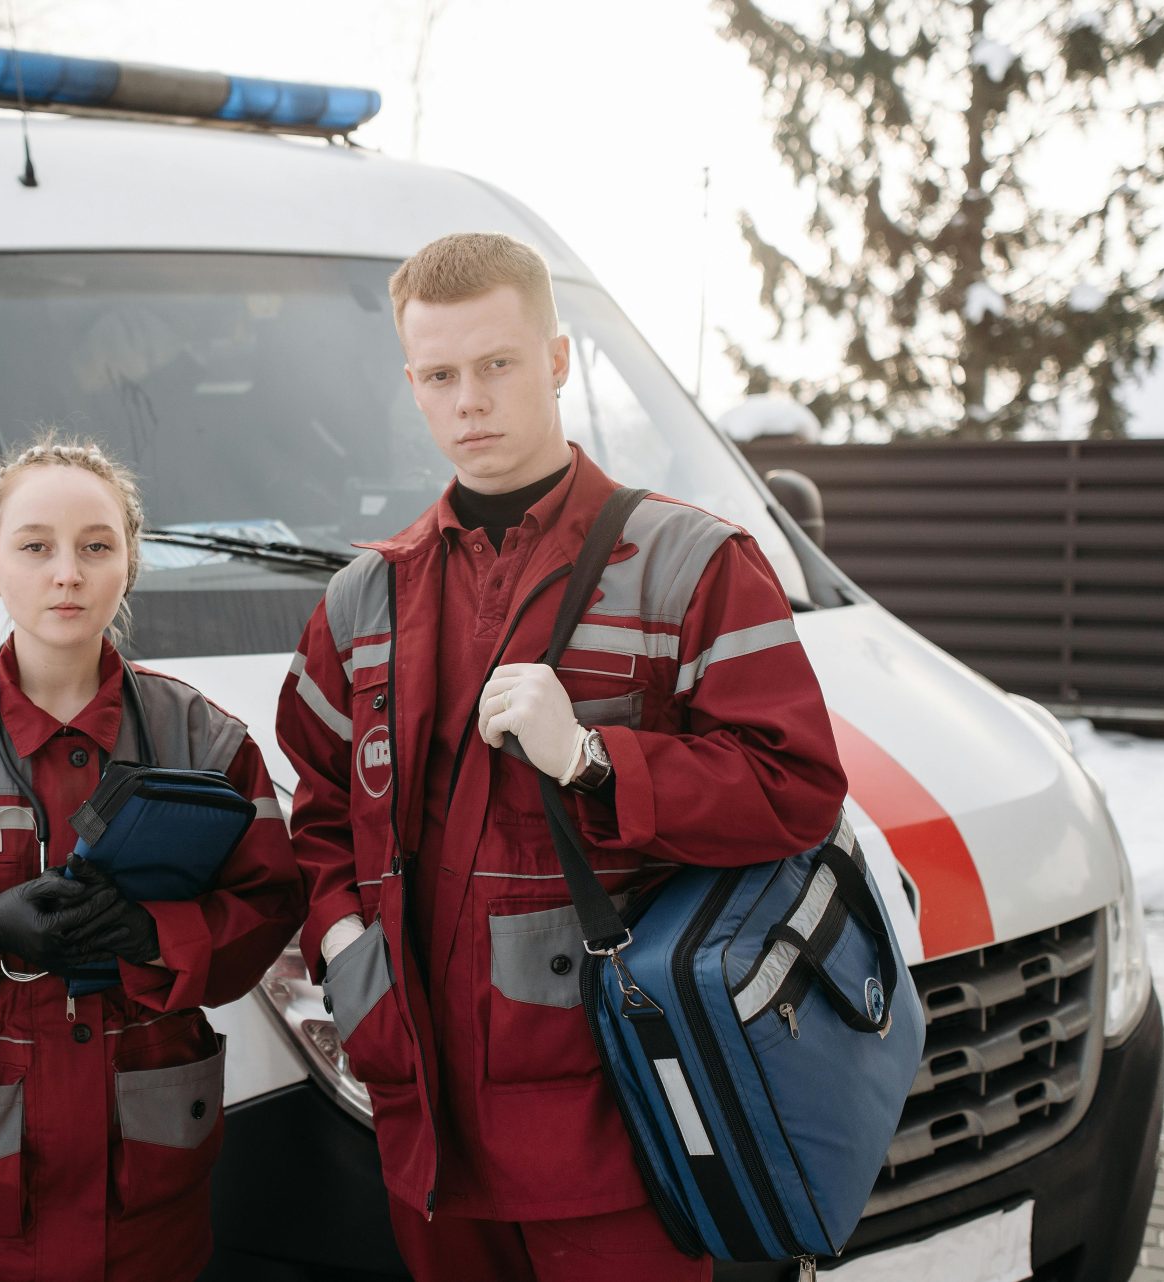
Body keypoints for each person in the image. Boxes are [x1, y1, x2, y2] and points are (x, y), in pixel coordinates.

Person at [276, 232, 848, 1282]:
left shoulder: (692, 565)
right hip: (430, 1131)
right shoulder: (366, 597)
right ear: (411, 386)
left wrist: (595, 760)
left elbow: (797, 789)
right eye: (440, 375)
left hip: (615, 1129)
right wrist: (347, 947)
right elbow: (315, 806)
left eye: (497, 364)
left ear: (556, 358)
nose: (470, 401)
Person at [0, 438, 302, 1282]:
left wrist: (158, 934)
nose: (66, 572)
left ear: (129, 564)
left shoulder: (207, 741)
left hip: (143, 1197)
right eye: (36, 546)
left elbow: (267, 911)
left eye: (95, 546)